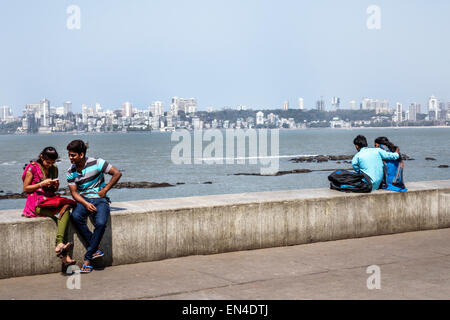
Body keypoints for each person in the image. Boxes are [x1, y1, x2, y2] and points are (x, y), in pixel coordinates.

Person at [66, 140, 122, 273]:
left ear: (81, 154)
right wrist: (85, 203)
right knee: (75, 217)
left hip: (100, 199)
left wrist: (105, 189)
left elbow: (117, 173)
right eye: (69, 155)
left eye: (73, 155)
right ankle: (95, 250)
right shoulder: (70, 171)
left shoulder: (97, 163)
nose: (70, 158)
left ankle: (87, 258)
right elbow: (74, 193)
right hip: (83, 199)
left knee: (101, 223)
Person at [22, 147, 77, 266]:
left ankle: (60, 247)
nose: (50, 165)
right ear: (42, 157)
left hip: (50, 200)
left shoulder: (54, 168)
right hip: (36, 203)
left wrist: (55, 185)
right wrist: (41, 184)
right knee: (64, 215)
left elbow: (53, 189)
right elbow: (25, 189)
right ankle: (63, 253)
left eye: (53, 162)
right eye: (48, 162)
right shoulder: (32, 168)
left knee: (65, 209)